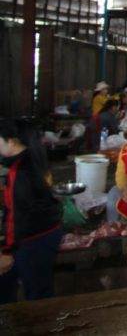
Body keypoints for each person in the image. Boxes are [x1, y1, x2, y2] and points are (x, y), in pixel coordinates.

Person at [0, 119, 63, 303]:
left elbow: (16, 215)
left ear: (12, 142)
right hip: (48, 231)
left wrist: (8, 251)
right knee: (35, 287)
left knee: (37, 293)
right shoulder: (33, 158)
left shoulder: (19, 171)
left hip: (33, 238)